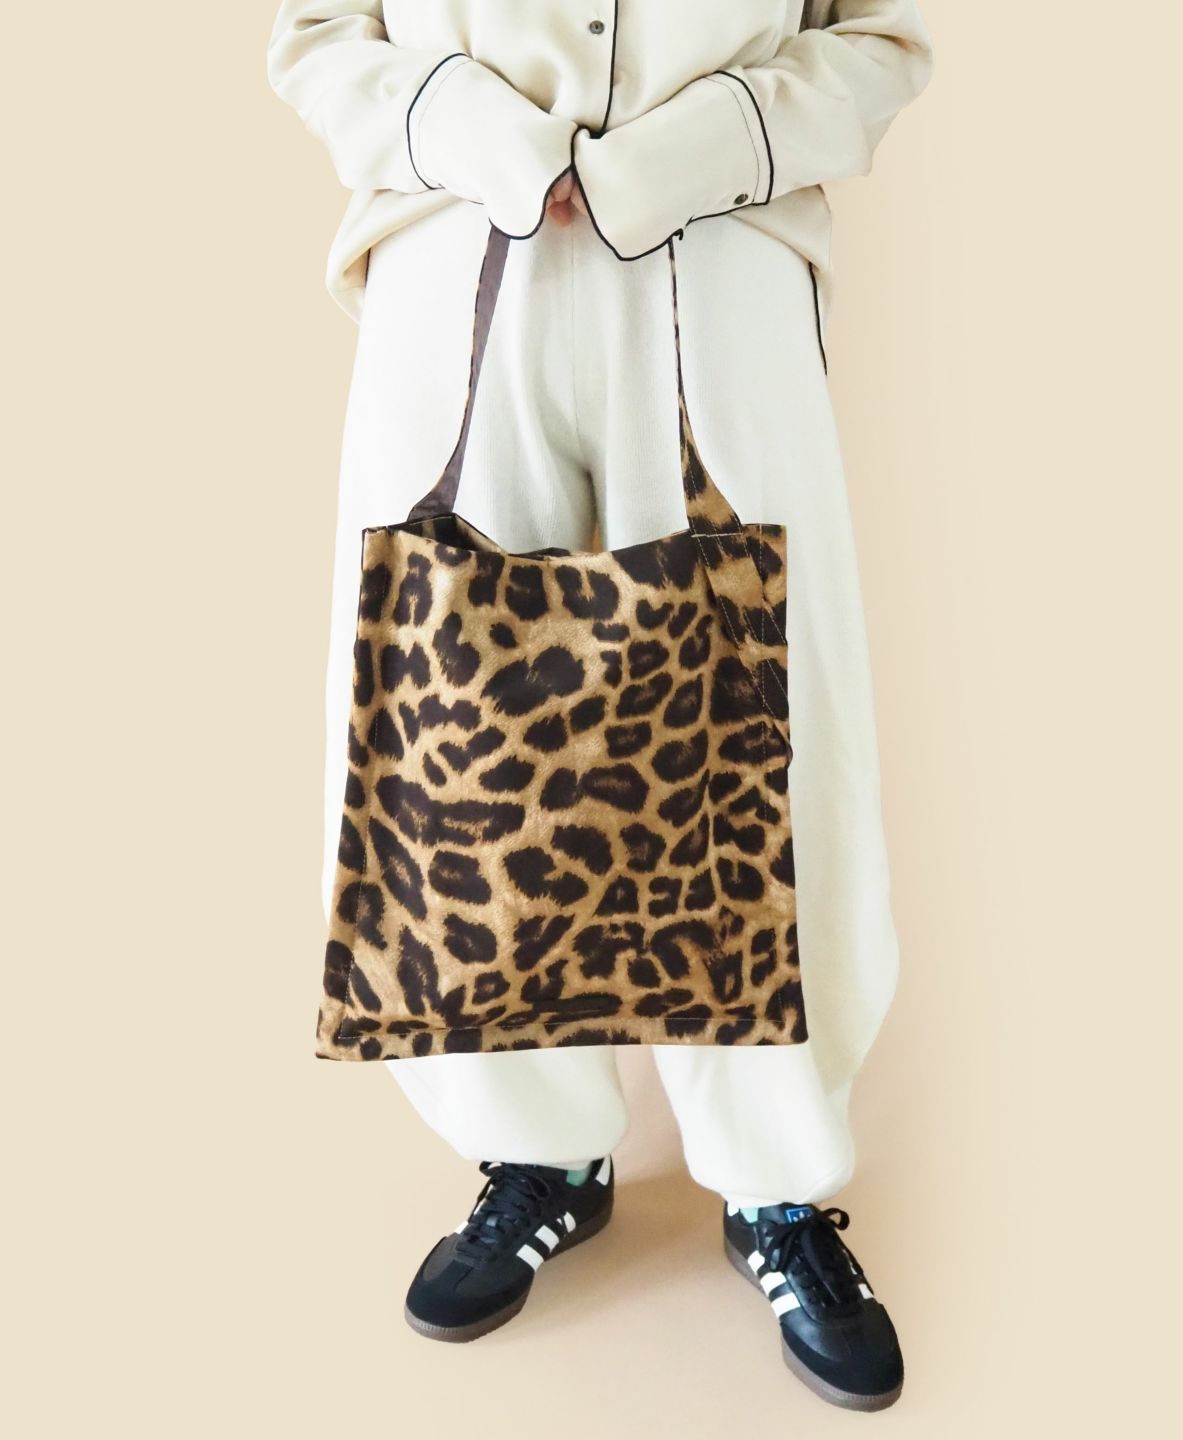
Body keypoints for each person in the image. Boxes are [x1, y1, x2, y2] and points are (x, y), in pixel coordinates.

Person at [267, 0, 933, 1412]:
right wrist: (479, 133)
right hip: (454, 253)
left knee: (768, 739)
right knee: (458, 745)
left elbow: (879, 41)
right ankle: (538, 1154)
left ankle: (776, 1185)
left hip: (719, 258)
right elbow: (318, 35)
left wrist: (686, 154)